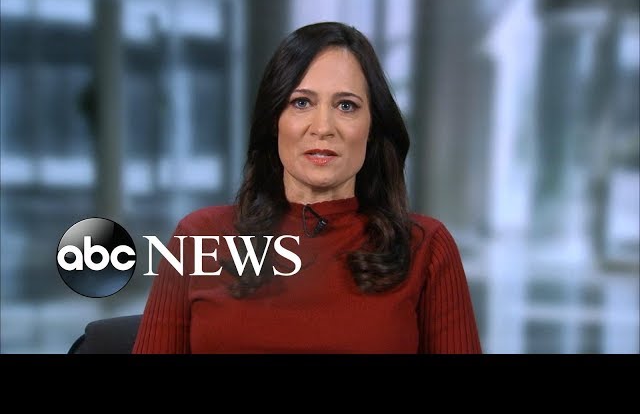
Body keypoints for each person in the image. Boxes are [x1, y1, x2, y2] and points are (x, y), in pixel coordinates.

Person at [132, 21, 482, 354]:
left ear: (372, 127)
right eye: (302, 103)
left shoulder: (426, 248)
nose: (323, 127)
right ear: (275, 120)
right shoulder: (199, 236)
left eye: (346, 106)